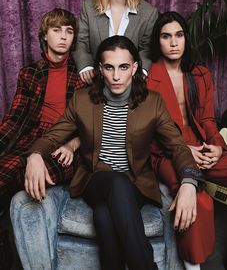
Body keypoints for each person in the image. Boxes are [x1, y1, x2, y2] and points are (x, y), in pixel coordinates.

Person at [24, 35, 202, 270]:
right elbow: (52, 136)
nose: (116, 76)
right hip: (94, 180)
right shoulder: (82, 99)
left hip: (136, 183)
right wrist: (34, 155)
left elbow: (177, 146)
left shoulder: (153, 102)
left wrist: (189, 182)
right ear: (100, 69)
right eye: (109, 67)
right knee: (115, 183)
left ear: (135, 68)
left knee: (105, 217)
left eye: (123, 67)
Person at [147, 11, 227, 270]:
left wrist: (218, 149)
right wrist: (184, 149)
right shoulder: (147, 77)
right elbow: (146, 132)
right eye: (166, 36)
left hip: (204, 146)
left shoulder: (200, 73)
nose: (174, 42)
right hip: (166, 151)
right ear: (158, 41)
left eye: (179, 35)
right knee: (196, 200)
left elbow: (208, 120)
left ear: (186, 38)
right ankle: (194, 267)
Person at [0, 8, 83, 269]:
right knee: (8, 170)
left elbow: (92, 125)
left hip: (65, 146)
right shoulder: (30, 73)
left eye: (69, 31)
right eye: (56, 30)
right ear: (44, 36)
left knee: (29, 171)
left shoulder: (83, 77)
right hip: (31, 139)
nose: (63, 37)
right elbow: (14, 120)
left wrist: (72, 144)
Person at [73, 0, 158, 84]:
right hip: (96, 81)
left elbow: (146, 48)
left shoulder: (148, 12)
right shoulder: (89, 6)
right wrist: (85, 66)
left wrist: (141, 71)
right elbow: (81, 41)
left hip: (131, 83)